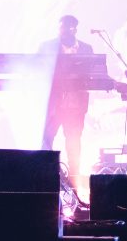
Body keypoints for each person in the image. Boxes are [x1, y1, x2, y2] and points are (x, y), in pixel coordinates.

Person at [38, 16, 97, 173]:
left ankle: (73, 179)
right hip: (53, 105)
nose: (62, 32)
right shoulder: (46, 47)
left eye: (66, 28)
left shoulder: (86, 49)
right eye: (61, 28)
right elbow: (36, 71)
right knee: (46, 139)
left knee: (73, 143)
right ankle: (46, 175)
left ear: (74, 30)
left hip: (76, 106)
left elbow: (93, 75)